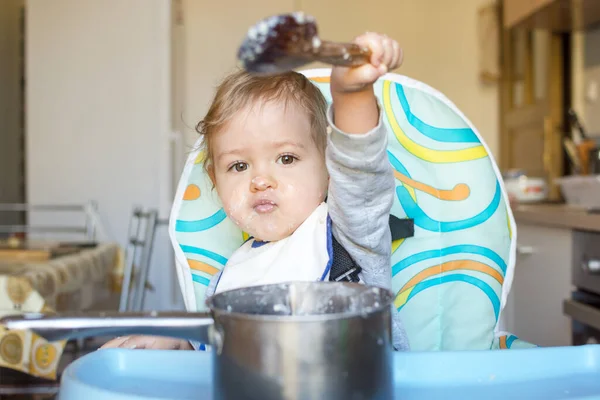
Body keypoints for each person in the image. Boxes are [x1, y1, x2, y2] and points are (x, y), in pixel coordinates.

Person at [101, 31, 409, 351]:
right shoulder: (232, 278)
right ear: (215, 181)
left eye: (286, 158)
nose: (260, 180)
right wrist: (177, 343)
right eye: (239, 166)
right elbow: (217, 353)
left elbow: (360, 169)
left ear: (331, 168)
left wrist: (352, 93)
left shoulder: (353, 235)